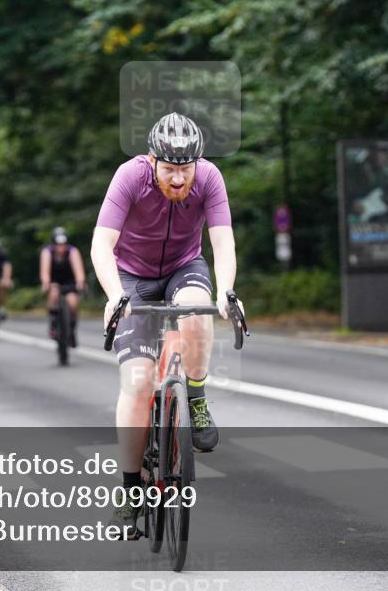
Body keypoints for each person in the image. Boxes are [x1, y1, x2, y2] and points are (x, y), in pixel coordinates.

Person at [90, 111, 243, 538]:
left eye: (186, 169)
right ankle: (131, 492)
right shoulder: (129, 177)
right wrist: (114, 295)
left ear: (198, 163)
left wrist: (226, 290)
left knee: (197, 310)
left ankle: (194, 397)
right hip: (132, 278)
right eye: (170, 170)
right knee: (137, 384)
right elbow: (102, 243)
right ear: (153, 160)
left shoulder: (210, 178)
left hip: (183, 267)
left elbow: (223, 240)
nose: (179, 180)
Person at [40, 227, 86, 347]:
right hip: (54, 281)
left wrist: (80, 282)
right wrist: (46, 284)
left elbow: (78, 270)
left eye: (63, 244)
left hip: (69, 281)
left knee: (73, 303)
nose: (61, 247)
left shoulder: (72, 251)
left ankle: (72, 331)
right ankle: (53, 325)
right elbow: (45, 272)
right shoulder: (47, 252)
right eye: (58, 244)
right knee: (53, 294)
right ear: (53, 244)